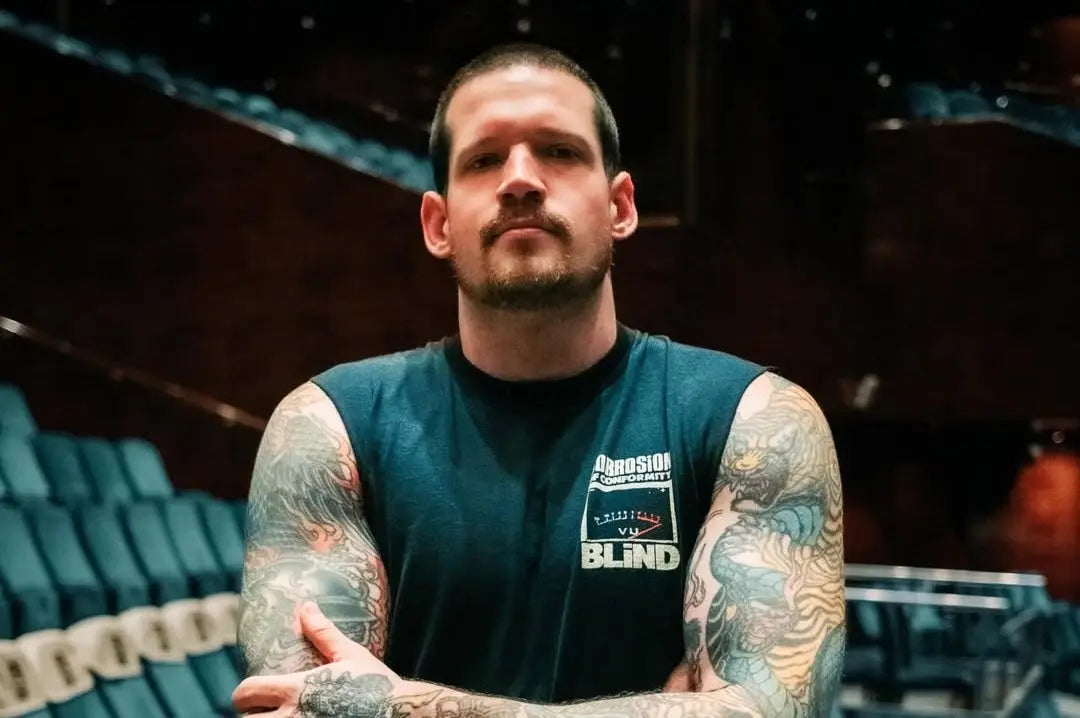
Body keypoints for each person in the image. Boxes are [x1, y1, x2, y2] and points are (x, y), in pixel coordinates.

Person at [232, 43, 845, 718]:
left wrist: (401, 707)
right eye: (484, 160)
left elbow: (775, 711)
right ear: (438, 223)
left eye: (559, 151)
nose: (520, 180)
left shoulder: (754, 422)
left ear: (620, 206)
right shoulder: (330, 429)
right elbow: (300, 708)